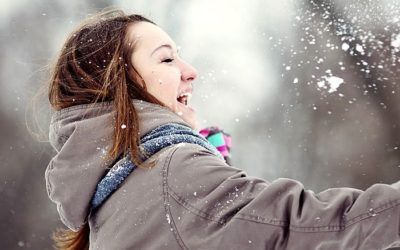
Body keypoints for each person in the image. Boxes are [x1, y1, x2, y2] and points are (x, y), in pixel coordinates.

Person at [45, 8, 400, 250]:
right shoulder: (170, 175)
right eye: (167, 59)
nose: (190, 70)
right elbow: (307, 227)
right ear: (120, 83)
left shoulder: (116, 194)